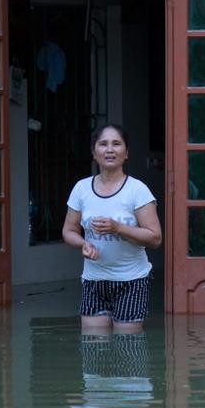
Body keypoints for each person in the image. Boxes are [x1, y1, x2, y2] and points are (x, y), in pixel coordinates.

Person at [62, 125, 162, 331]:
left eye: (116, 144)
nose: (110, 149)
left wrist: (118, 228)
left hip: (132, 281)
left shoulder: (137, 190)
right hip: (93, 281)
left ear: (126, 153)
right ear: (94, 152)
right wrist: (83, 244)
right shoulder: (81, 189)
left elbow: (155, 238)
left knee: (128, 350)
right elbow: (68, 231)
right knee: (94, 350)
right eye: (103, 144)